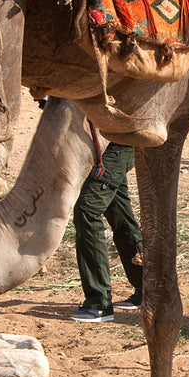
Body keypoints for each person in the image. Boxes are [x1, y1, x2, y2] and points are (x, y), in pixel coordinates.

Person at [70, 134, 145, 323]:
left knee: (87, 209)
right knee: (118, 209)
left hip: (121, 140)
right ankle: (147, 290)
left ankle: (99, 303)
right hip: (118, 140)